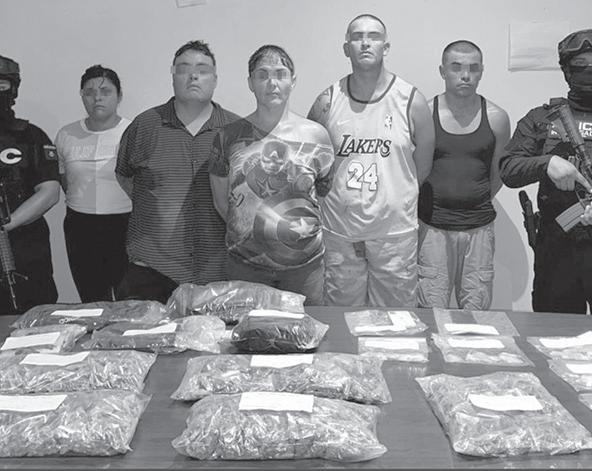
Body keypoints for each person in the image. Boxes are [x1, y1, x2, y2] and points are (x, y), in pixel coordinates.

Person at [307, 14, 435, 307]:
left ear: (386, 47)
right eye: (357, 37)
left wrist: (394, 195)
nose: (365, 43)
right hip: (341, 233)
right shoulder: (327, 101)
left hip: (394, 235)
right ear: (346, 48)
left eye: (374, 36)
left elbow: (423, 165)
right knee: (342, 318)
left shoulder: (411, 101)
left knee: (396, 321)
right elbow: (311, 159)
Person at [115, 40, 238, 303]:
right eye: (184, 68)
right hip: (151, 270)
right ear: (172, 76)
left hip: (219, 271)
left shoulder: (237, 130)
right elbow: (124, 174)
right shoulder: (145, 126)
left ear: (215, 79)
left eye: (202, 69)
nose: (193, 76)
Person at [209, 45, 334, 305]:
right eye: (262, 74)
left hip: (305, 268)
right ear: (250, 83)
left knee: (308, 327)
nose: (272, 82)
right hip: (245, 266)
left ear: (293, 81)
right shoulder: (227, 137)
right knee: (248, 329)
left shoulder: (317, 135)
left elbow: (322, 192)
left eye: (280, 74)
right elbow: (222, 201)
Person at [499, 29, 592, 314]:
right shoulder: (543, 119)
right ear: (566, 70)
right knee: (554, 333)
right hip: (558, 249)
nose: (589, 71)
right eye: (581, 65)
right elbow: (508, 168)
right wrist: (547, 163)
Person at [417, 41, 511, 310]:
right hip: (432, 229)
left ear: (482, 71)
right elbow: (415, 172)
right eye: (456, 67)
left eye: (473, 68)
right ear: (442, 71)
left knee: (476, 316)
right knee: (431, 313)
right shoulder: (424, 115)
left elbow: (498, 173)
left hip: (479, 229)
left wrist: (472, 200)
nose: (465, 75)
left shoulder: (497, 118)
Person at [55, 65, 131, 303]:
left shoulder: (133, 132)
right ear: (82, 96)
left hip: (125, 225)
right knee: (92, 299)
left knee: (129, 300)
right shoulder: (66, 134)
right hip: (80, 227)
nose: (97, 98)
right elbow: (64, 179)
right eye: (89, 92)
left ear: (119, 96)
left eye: (105, 91)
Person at [0, 54, 59, 314]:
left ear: (13, 89)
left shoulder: (31, 135)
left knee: (35, 316)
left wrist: (6, 224)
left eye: (1, 84)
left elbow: (50, 192)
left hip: (25, 247)